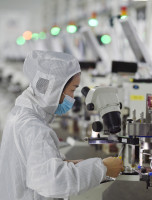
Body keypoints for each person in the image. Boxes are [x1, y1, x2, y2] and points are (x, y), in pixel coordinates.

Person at [0, 50, 123, 200]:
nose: (72, 98)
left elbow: (32, 166)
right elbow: (53, 182)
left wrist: (68, 164)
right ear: (54, 89)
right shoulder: (35, 129)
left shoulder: (21, 114)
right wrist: (103, 169)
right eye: (72, 90)